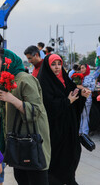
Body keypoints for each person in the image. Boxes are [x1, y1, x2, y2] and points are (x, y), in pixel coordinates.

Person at [0, 48, 51, 185]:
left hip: (32, 145)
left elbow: (36, 111)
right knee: (21, 178)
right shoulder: (7, 80)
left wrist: (11, 99)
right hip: (18, 145)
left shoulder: (25, 79)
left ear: (8, 63)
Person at [37, 54, 90, 185]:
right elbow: (48, 105)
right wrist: (67, 101)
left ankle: (69, 179)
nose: (56, 67)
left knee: (72, 155)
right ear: (48, 66)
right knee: (57, 160)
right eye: (53, 64)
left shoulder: (66, 80)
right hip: (54, 130)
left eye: (59, 64)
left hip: (69, 128)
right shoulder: (44, 82)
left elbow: (74, 98)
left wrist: (82, 96)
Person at [78, 64, 95, 137]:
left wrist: (85, 89)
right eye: (80, 68)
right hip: (79, 98)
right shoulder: (78, 77)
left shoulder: (91, 77)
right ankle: (79, 131)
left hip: (87, 98)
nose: (81, 70)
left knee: (85, 115)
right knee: (79, 114)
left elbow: (92, 88)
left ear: (86, 68)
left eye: (83, 68)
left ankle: (84, 132)